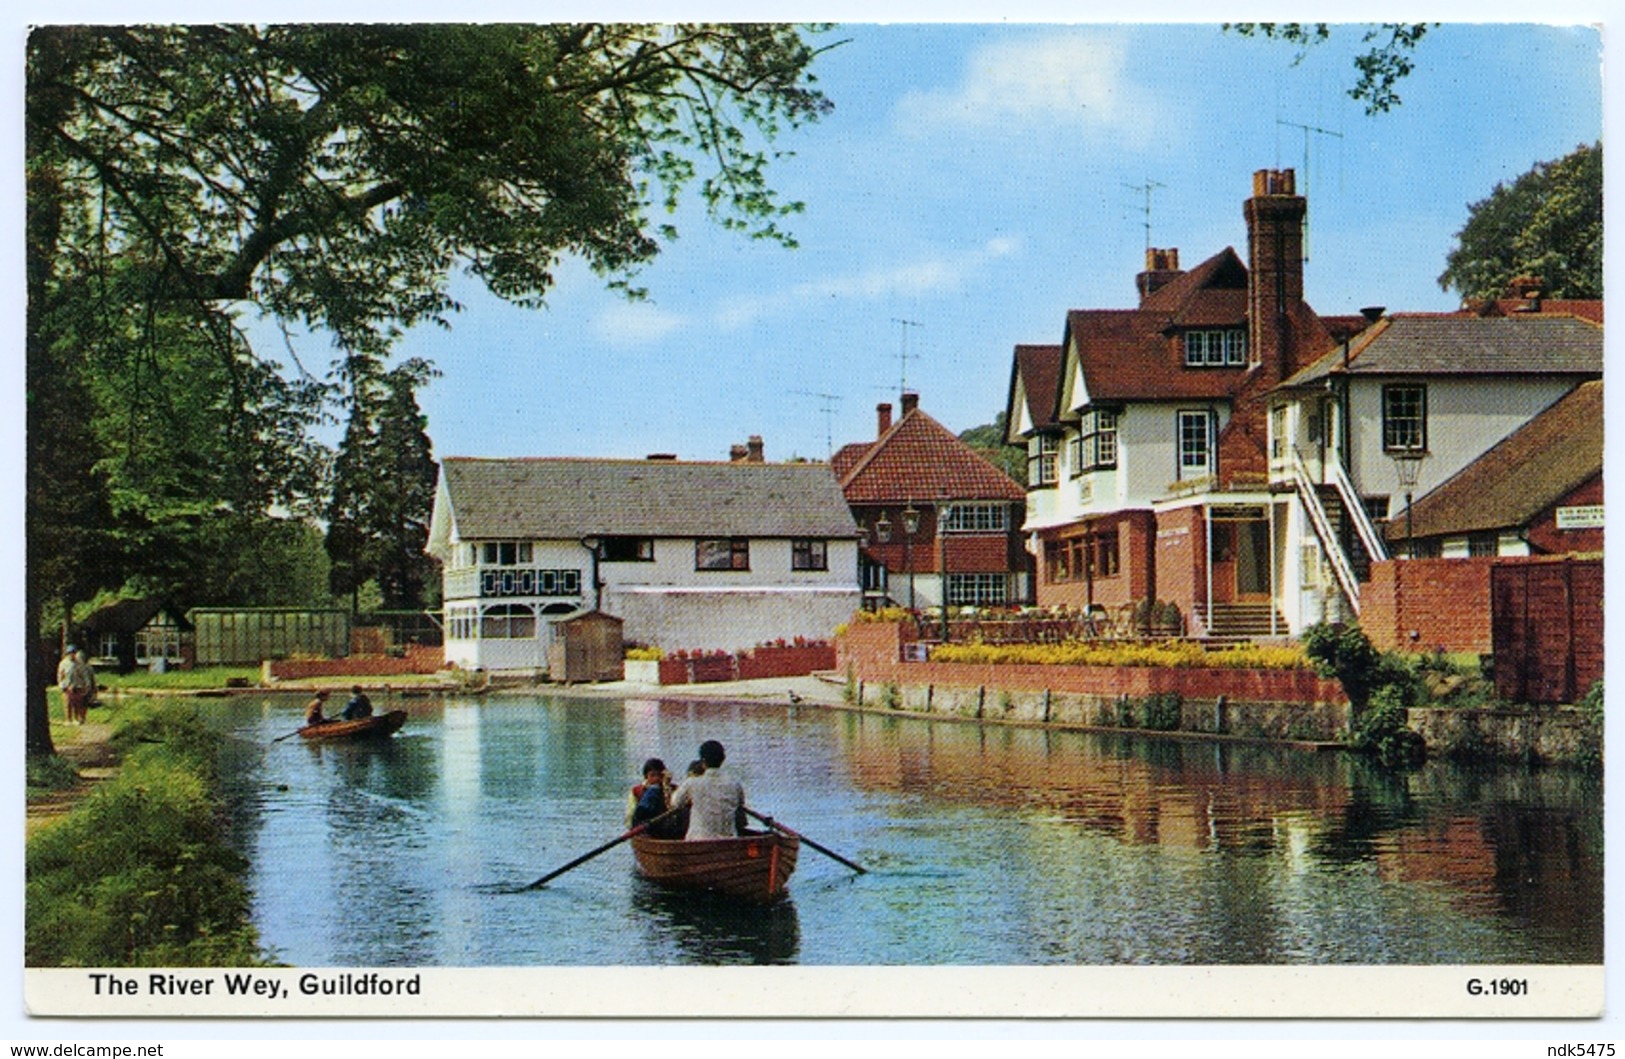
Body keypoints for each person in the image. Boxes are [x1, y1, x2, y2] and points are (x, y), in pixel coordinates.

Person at [671, 739, 746, 839]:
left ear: (703, 762)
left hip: (699, 841)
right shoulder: (735, 784)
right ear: (723, 759)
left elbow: (675, 802)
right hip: (729, 841)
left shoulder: (692, 783)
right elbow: (740, 804)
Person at [57, 646, 96, 725]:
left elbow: (84, 675)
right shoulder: (63, 663)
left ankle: (76, 719)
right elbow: (60, 675)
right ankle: (68, 719)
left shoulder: (79, 664)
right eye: (70, 653)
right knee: (67, 703)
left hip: (78, 686)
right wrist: (62, 685)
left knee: (78, 704)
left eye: (73, 653)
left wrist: (86, 685)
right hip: (67, 686)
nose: (72, 655)